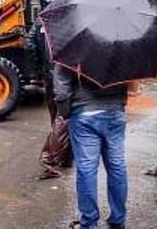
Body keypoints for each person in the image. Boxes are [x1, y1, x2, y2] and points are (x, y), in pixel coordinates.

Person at [54, 65, 128, 229]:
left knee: (87, 169)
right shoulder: (122, 46)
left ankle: (89, 223)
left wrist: (65, 114)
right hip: (116, 112)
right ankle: (118, 220)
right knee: (117, 166)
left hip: (84, 113)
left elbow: (61, 91)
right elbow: (128, 80)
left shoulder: (71, 47)